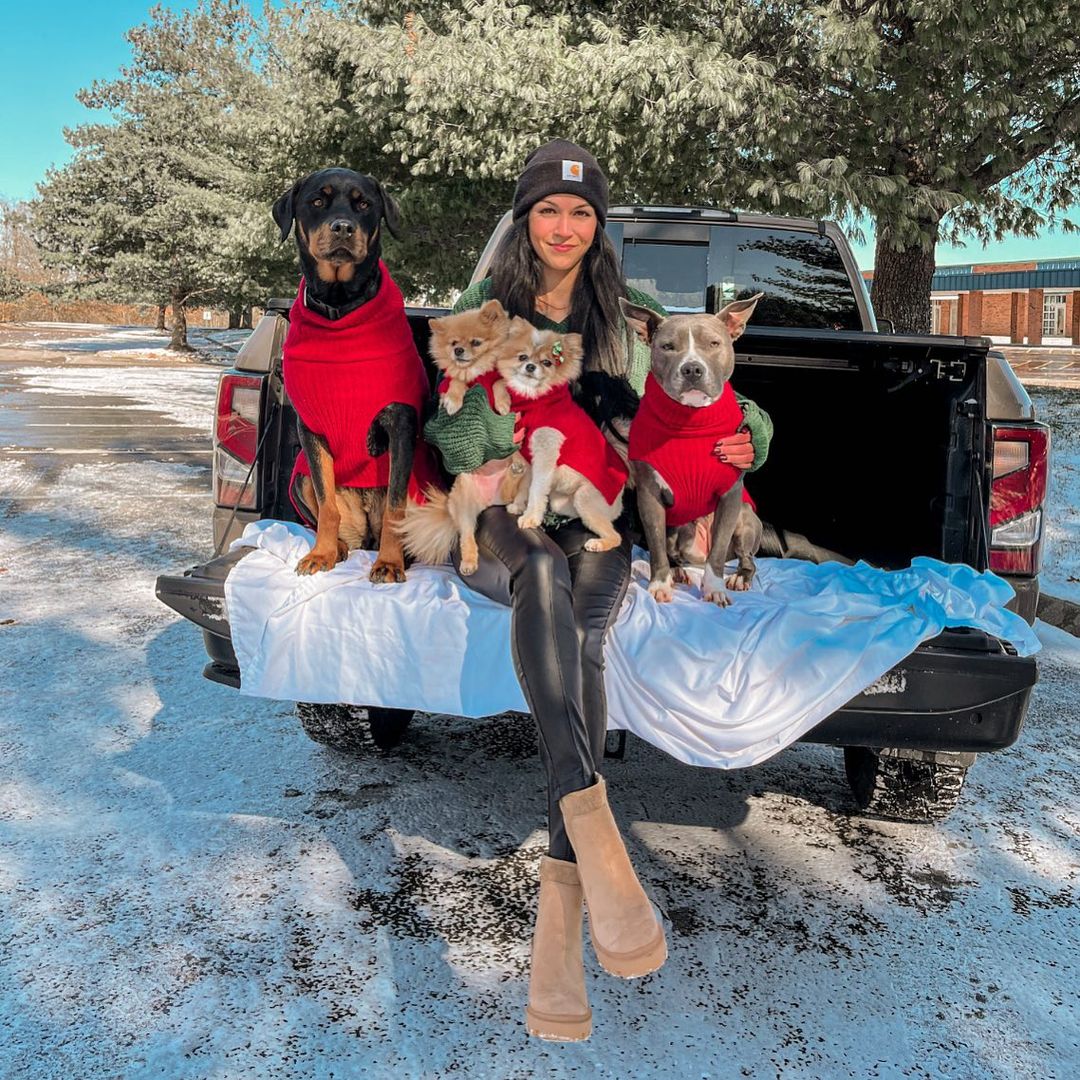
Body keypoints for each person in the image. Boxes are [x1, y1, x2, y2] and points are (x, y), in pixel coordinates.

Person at [424, 139, 773, 1041]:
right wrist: (490, 462)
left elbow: (712, 386)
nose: (565, 226)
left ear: (597, 226)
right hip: (510, 496)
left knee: (583, 627)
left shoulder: (628, 311)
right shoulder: (484, 307)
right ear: (525, 218)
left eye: (582, 213)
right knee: (536, 568)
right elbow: (448, 412)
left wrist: (755, 439)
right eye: (549, 210)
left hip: (605, 501)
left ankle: (559, 923)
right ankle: (593, 839)